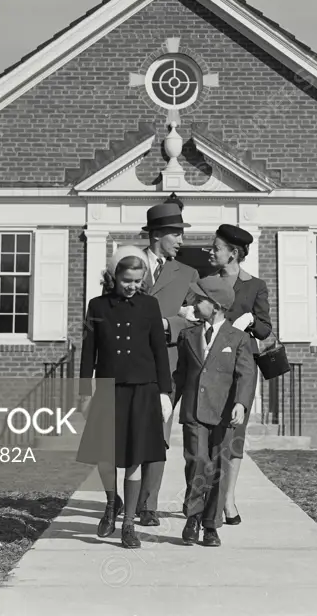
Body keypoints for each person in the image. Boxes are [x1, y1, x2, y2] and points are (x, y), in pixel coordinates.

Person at [76, 246, 172, 550]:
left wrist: (165, 393)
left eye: (137, 280)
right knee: (105, 457)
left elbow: (159, 351)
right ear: (113, 276)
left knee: (134, 457)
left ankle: (129, 523)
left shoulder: (150, 306)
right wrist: (83, 393)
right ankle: (109, 505)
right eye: (126, 280)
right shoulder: (97, 307)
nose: (132, 286)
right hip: (108, 389)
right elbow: (88, 351)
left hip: (142, 390)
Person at [185, 223, 271, 524]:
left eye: (216, 247)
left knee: (233, 436)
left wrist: (248, 322)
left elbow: (265, 328)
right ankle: (203, 500)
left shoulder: (254, 285)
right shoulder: (205, 283)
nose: (211, 251)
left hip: (238, 369)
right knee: (204, 441)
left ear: (233, 253)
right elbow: (192, 316)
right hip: (209, 370)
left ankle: (228, 498)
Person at [173, 275, 256, 547]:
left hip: (223, 415)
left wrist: (241, 404)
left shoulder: (239, 338)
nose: (193, 303)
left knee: (218, 467)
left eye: (199, 299)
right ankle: (193, 516)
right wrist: (167, 401)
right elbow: (181, 375)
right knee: (198, 460)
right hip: (194, 412)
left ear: (217, 305)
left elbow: (247, 375)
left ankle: (210, 525)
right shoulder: (188, 335)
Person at [135, 201, 200, 527]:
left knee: (159, 434)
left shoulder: (188, 274)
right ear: (158, 234)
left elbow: (196, 319)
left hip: (169, 366)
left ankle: (147, 504)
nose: (181, 241)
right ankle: (123, 497)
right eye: (176, 234)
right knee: (129, 434)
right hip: (130, 363)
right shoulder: (127, 264)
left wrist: (166, 325)